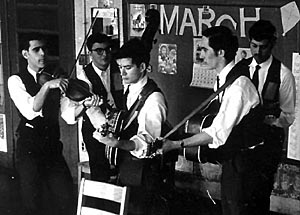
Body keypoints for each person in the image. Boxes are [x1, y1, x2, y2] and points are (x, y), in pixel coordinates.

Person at [162, 26, 267, 215]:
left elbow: (216, 133)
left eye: (204, 49)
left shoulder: (238, 87)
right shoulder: (223, 79)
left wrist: (176, 144)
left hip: (247, 164)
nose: (200, 54)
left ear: (221, 52)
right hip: (234, 160)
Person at [93, 37, 168, 215]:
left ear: (142, 67)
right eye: (120, 68)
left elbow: (146, 143)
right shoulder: (130, 90)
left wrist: (116, 143)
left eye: (128, 68)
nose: (123, 73)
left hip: (144, 173)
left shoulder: (153, 99)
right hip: (128, 169)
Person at [7, 32, 73, 215]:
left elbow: (68, 114)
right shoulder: (16, 80)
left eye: (44, 49)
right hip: (29, 146)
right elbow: (31, 110)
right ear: (25, 54)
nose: (42, 53)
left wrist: (83, 104)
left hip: (52, 144)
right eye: (36, 49)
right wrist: (47, 86)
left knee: (65, 196)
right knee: (32, 201)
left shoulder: (56, 77)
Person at [237, 19, 296, 214]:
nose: (257, 52)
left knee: (260, 196)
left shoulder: (284, 75)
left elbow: (288, 116)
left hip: (267, 145)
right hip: (242, 142)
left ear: (272, 44)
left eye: (263, 47)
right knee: (239, 194)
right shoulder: (240, 69)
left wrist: (269, 121)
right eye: (253, 46)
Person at [61, 32, 123, 182]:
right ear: (90, 53)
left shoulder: (118, 68)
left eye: (107, 50)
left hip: (120, 125)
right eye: (99, 51)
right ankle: (101, 203)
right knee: (101, 171)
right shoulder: (83, 78)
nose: (104, 55)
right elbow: (69, 115)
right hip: (96, 129)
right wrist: (86, 104)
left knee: (124, 168)